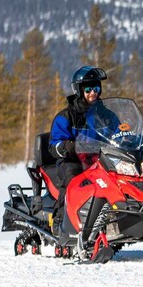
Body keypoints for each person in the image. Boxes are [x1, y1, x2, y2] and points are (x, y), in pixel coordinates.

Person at [47, 66, 107, 229]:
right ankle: (61, 221)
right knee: (73, 178)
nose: (93, 92)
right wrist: (70, 147)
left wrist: (131, 137)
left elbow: (117, 131)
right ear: (79, 91)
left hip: (100, 160)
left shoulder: (105, 115)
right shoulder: (66, 116)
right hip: (73, 160)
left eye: (96, 88)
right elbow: (54, 145)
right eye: (88, 89)